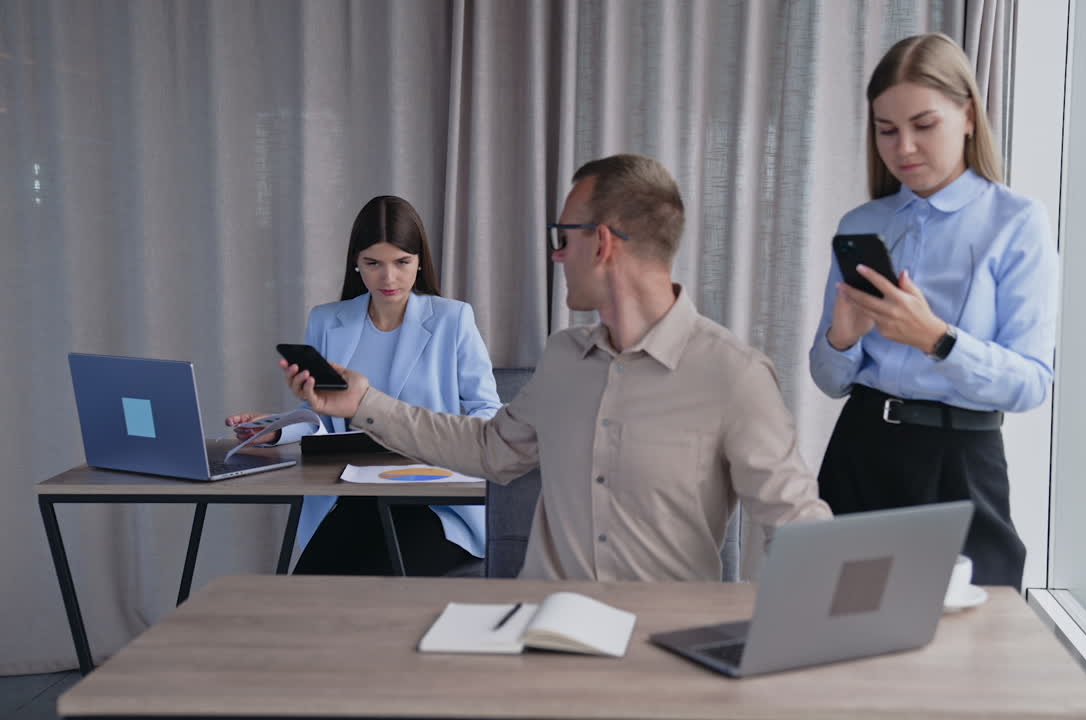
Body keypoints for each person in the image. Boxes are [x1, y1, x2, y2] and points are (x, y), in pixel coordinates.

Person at [278, 153, 832, 582]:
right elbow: (491, 448)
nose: (555, 255)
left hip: (660, 654)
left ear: (605, 244)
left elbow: (800, 531)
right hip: (541, 634)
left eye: (562, 238)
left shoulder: (733, 376)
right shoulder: (566, 358)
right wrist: (363, 405)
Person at [809, 33, 1058, 588]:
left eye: (924, 126)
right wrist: (842, 339)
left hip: (961, 462)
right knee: (842, 645)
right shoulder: (860, 225)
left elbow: (1032, 383)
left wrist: (938, 340)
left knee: (967, 658)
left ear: (968, 116)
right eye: (887, 131)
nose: (904, 149)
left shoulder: (1017, 222)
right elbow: (828, 380)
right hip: (860, 450)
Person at [226, 195, 502, 576]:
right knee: (307, 587)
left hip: (435, 504)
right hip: (353, 497)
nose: (388, 278)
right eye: (373, 263)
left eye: (402, 262)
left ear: (420, 261)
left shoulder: (452, 320)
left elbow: (487, 414)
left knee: (372, 576)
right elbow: (320, 416)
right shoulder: (327, 321)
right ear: (356, 263)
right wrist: (274, 430)